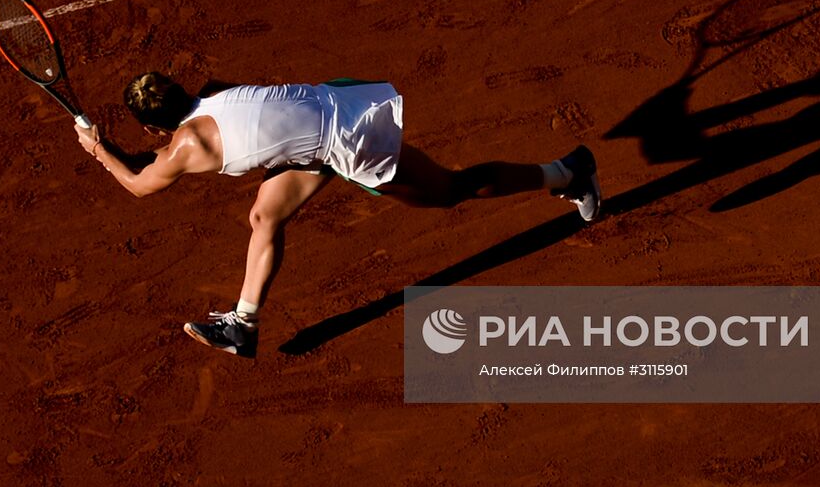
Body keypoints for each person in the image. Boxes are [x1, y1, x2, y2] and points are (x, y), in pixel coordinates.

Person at [76, 72, 600, 358]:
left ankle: (567, 172)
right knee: (264, 217)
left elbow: (143, 184)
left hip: (350, 137)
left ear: (153, 130)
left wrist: (99, 149)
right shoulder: (213, 90)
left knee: (447, 191)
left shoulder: (184, 147)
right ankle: (243, 325)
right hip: (333, 101)